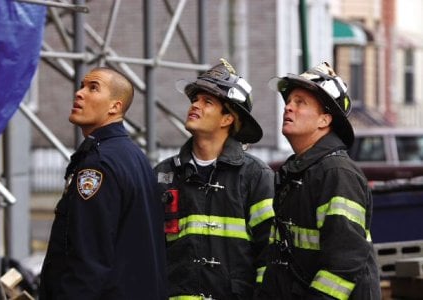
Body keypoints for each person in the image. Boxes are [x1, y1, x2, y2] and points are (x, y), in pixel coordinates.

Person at [39, 67, 167, 299]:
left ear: (115, 107)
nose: (79, 93)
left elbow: (88, 258)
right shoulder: (132, 155)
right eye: (81, 86)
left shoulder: (98, 164)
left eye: (93, 88)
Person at [256, 62, 381, 299]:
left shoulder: (337, 173)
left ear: (325, 120)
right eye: (289, 101)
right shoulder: (298, 172)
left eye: (300, 102)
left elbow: (344, 263)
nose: (288, 108)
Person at [154, 58, 275, 300]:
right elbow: (148, 250)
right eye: (195, 99)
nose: (195, 106)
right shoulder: (164, 175)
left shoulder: (255, 176)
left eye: (207, 101)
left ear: (227, 119)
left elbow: (269, 255)